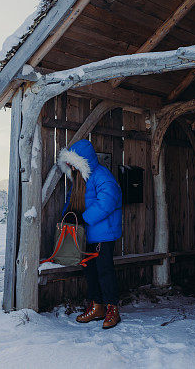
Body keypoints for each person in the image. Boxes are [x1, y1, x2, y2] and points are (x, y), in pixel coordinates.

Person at [57, 139, 122, 329]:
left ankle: (112, 309)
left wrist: (84, 218)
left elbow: (107, 201)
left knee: (105, 271)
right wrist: (68, 220)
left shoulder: (102, 176)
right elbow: (71, 201)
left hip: (103, 234)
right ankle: (97, 306)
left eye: (73, 164)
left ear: (83, 162)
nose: (71, 168)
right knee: (90, 271)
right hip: (86, 235)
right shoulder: (80, 179)